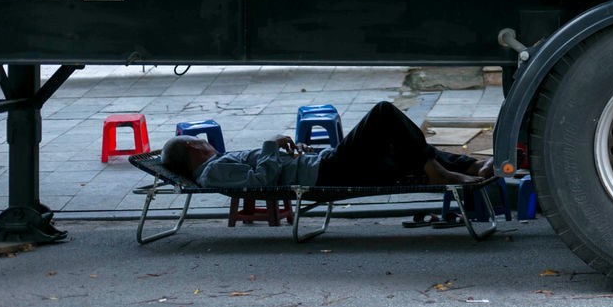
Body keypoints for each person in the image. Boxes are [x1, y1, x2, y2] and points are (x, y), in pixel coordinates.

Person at [161, 101, 493, 188]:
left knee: (395, 145)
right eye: (199, 141)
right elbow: (259, 182)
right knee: (382, 114)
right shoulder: (212, 172)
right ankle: (440, 172)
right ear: (193, 148)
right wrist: (270, 145)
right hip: (328, 172)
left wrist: (296, 152)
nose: (207, 144)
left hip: (322, 164)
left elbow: (266, 170)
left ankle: (468, 166)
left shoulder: (217, 167)